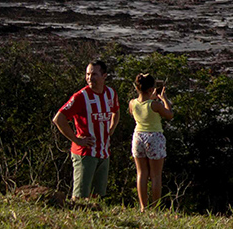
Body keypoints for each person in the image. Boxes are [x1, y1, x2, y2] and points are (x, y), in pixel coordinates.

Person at [52, 59, 120, 200]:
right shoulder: (81, 97)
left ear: (104, 76)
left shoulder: (110, 94)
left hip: (104, 152)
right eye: (88, 74)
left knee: (97, 196)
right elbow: (59, 119)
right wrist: (76, 139)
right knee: (80, 196)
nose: (90, 78)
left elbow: (116, 111)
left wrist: (112, 128)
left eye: (94, 74)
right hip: (85, 153)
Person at [129, 72, 174, 211]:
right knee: (155, 175)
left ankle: (143, 206)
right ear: (151, 89)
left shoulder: (132, 103)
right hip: (154, 137)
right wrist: (164, 99)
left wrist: (151, 98)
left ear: (137, 88)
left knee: (141, 173)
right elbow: (169, 115)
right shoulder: (155, 105)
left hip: (138, 136)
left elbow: (138, 112)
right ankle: (155, 207)